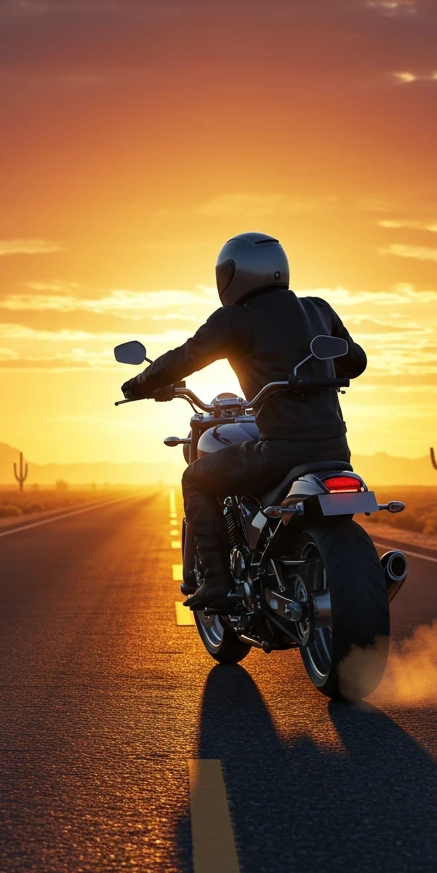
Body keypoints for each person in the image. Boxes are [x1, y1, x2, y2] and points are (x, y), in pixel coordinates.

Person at [120, 232, 367, 610]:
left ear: (233, 275)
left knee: (196, 478)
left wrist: (138, 384)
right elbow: (357, 362)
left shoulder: (236, 320)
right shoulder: (319, 309)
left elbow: (184, 357)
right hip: (336, 450)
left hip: (280, 453)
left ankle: (218, 584)